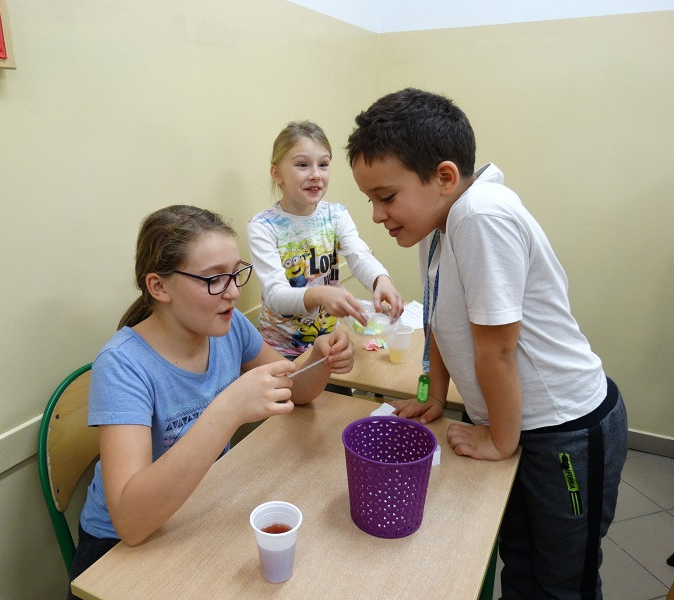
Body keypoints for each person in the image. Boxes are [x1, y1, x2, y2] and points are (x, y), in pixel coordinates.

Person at [346, 88, 627, 600]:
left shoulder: (480, 216)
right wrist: (435, 395)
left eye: (386, 197)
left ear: (444, 177)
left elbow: (497, 349)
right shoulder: (437, 223)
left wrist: (500, 440)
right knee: (520, 559)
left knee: (564, 578)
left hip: (564, 427)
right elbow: (436, 316)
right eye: (371, 200)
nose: (377, 215)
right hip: (513, 423)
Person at [67, 205, 354, 597]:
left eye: (235, 273)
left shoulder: (229, 327)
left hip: (198, 508)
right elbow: (131, 522)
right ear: (159, 287)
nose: (234, 291)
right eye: (214, 279)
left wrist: (319, 358)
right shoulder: (122, 365)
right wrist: (227, 411)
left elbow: (295, 390)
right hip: (119, 548)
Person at [247, 120, 403, 360]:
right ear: (276, 173)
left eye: (323, 164)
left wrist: (381, 280)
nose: (315, 175)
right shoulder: (263, 227)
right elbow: (276, 296)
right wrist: (320, 294)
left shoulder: (335, 214)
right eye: (302, 165)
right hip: (281, 352)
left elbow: (359, 256)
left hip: (329, 343)